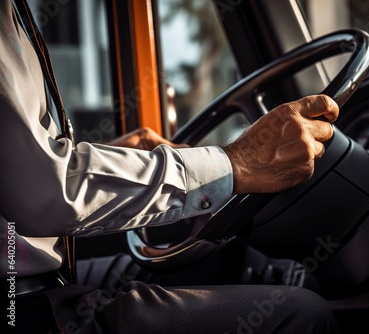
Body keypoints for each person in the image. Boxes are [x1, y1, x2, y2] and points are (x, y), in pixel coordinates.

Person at [0, 0, 341, 333]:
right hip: (20, 308)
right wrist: (236, 163)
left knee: (224, 259)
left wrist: (119, 159)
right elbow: (44, 191)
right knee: (301, 316)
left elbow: (25, 178)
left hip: (37, 276)